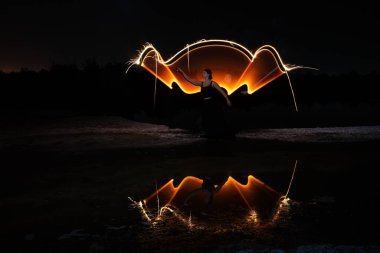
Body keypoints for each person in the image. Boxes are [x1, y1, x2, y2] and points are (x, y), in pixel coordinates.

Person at [176, 67, 232, 137]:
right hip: (205, 104)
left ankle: (218, 133)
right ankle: (209, 134)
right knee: (206, 119)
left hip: (212, 104)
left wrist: (227, 100)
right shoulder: (201, 84)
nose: (203, 73)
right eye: (203, 72)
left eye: (204, 72)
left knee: (214, 119)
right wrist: (182, 72)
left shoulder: (213, 83)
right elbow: (190, 80)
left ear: (208, 74)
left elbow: (222, 91)